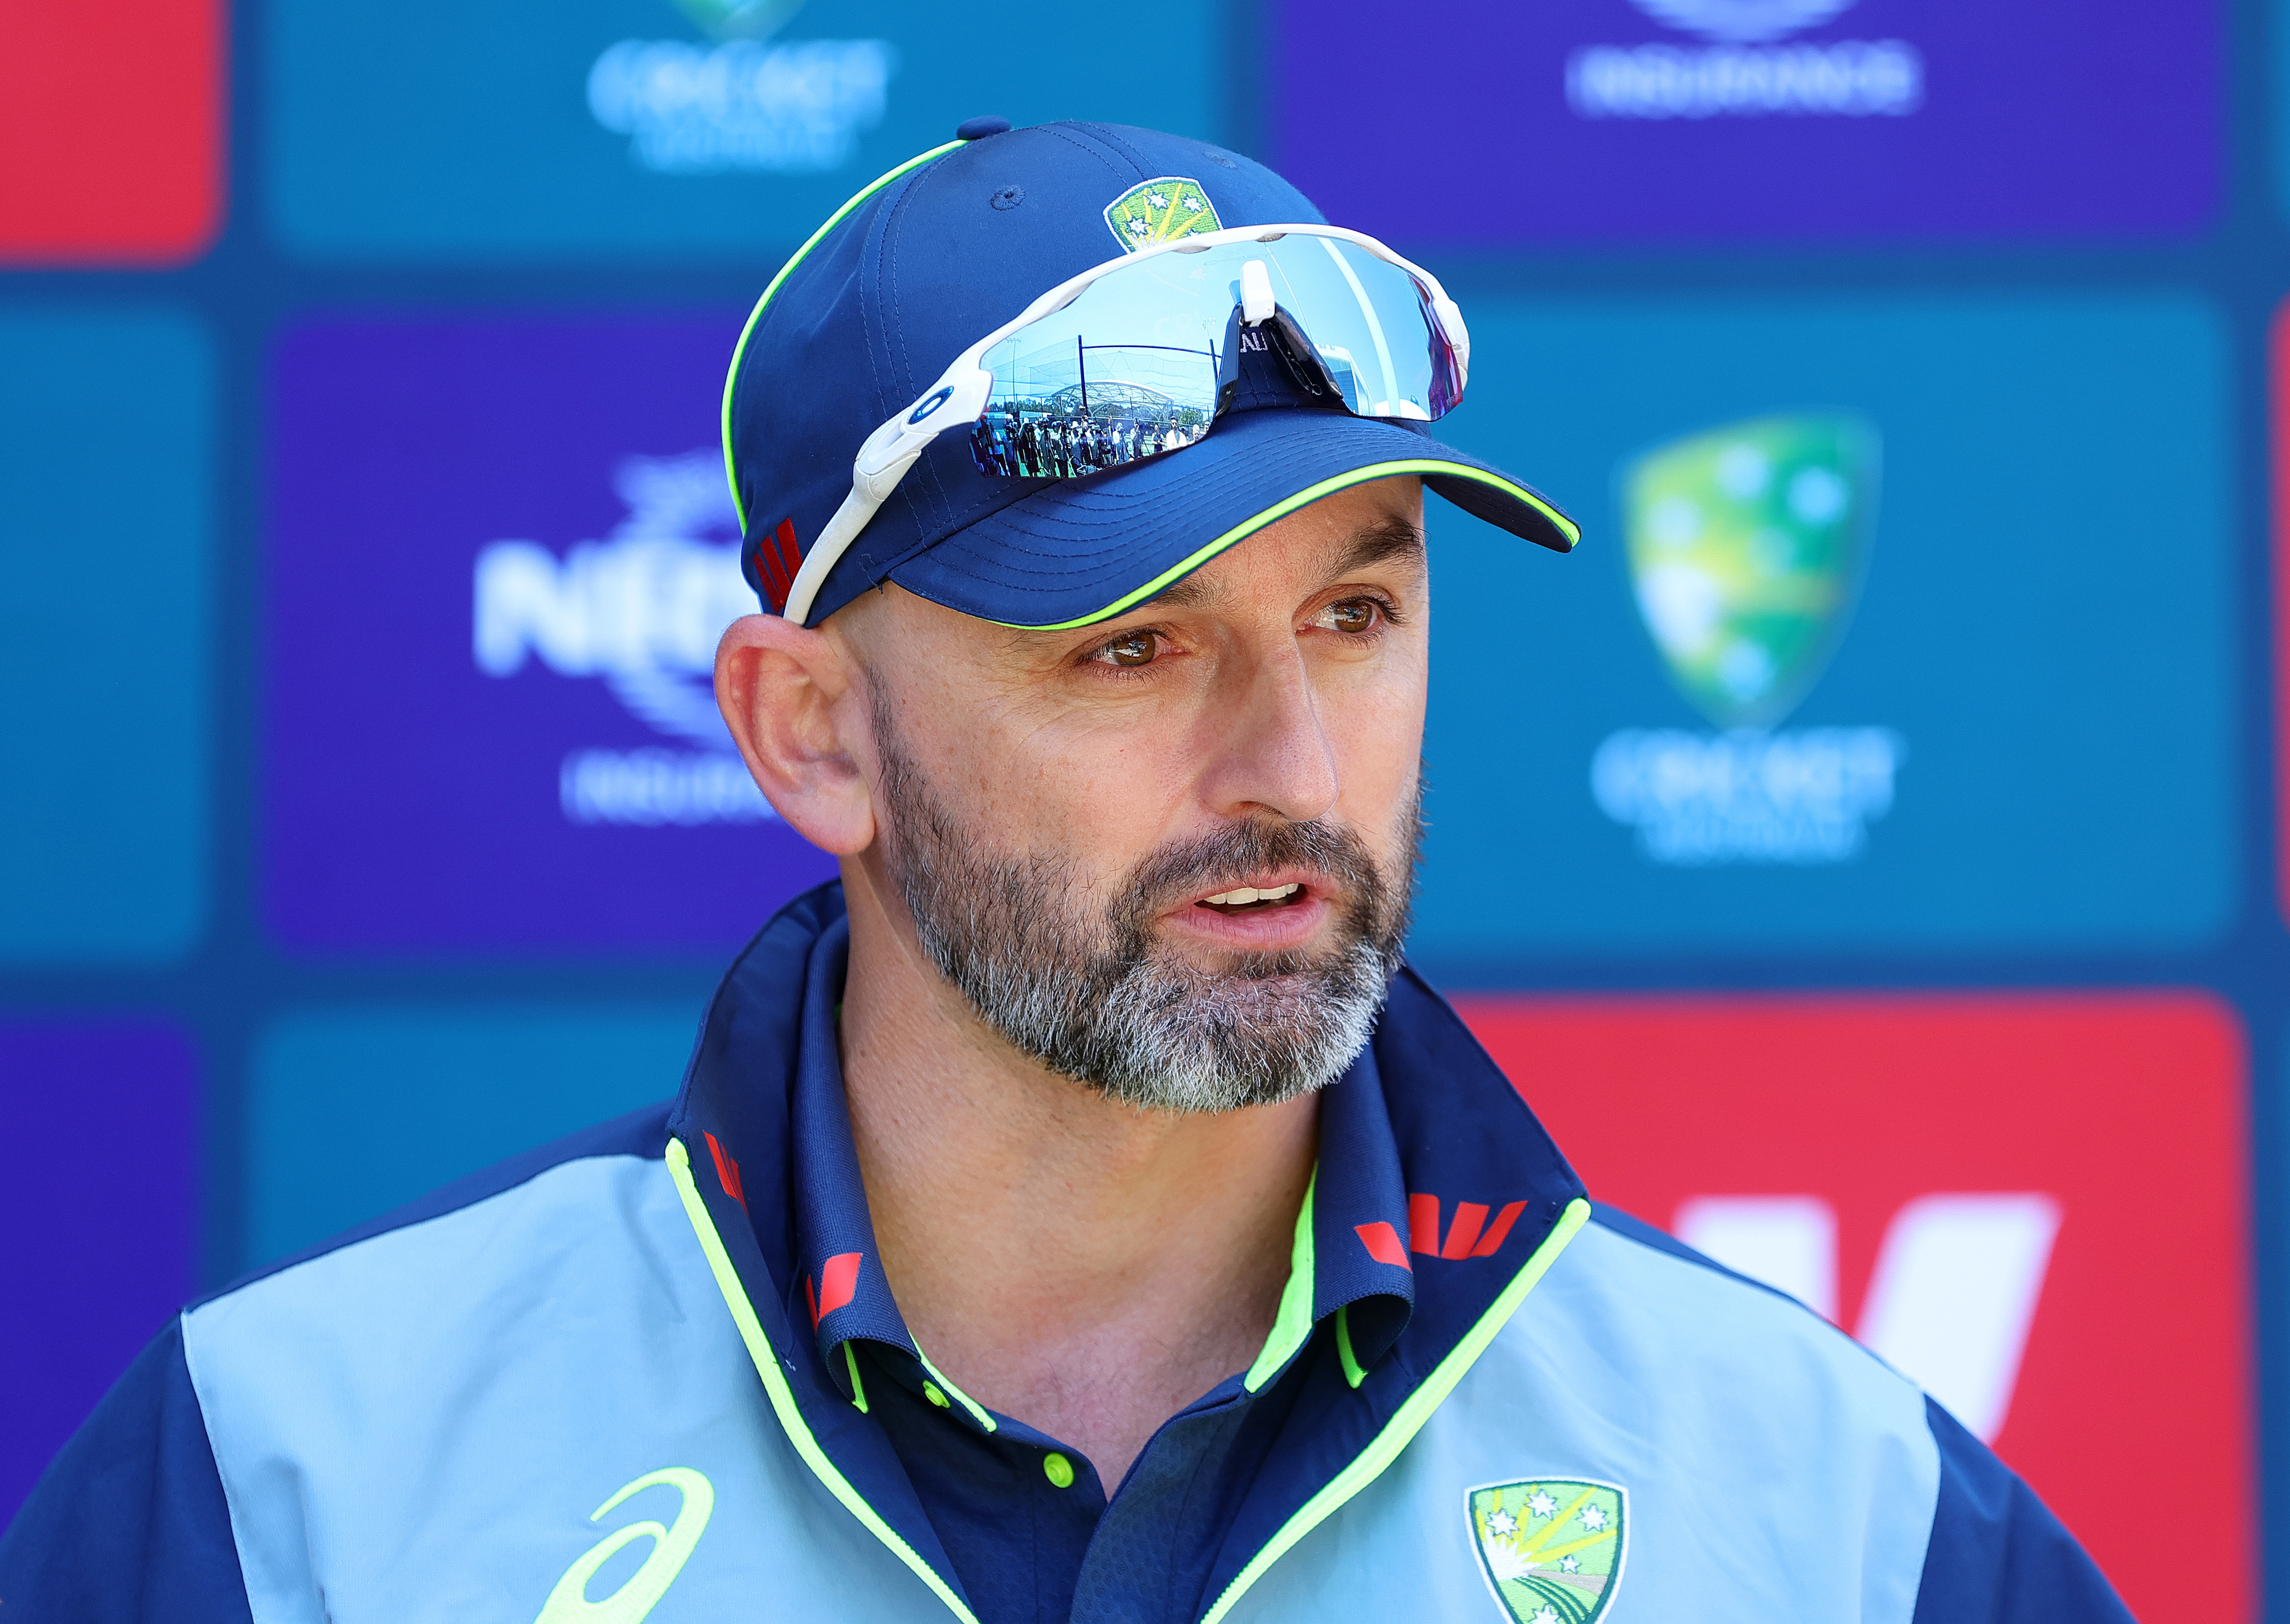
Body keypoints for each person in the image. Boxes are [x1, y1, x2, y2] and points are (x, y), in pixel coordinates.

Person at [0, 119, 2132, 1624]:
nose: (1286, 766)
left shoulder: (1830, 1510)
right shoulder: (293, 1485)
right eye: (1128, 643)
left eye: (1353, 616)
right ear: (805, 730)